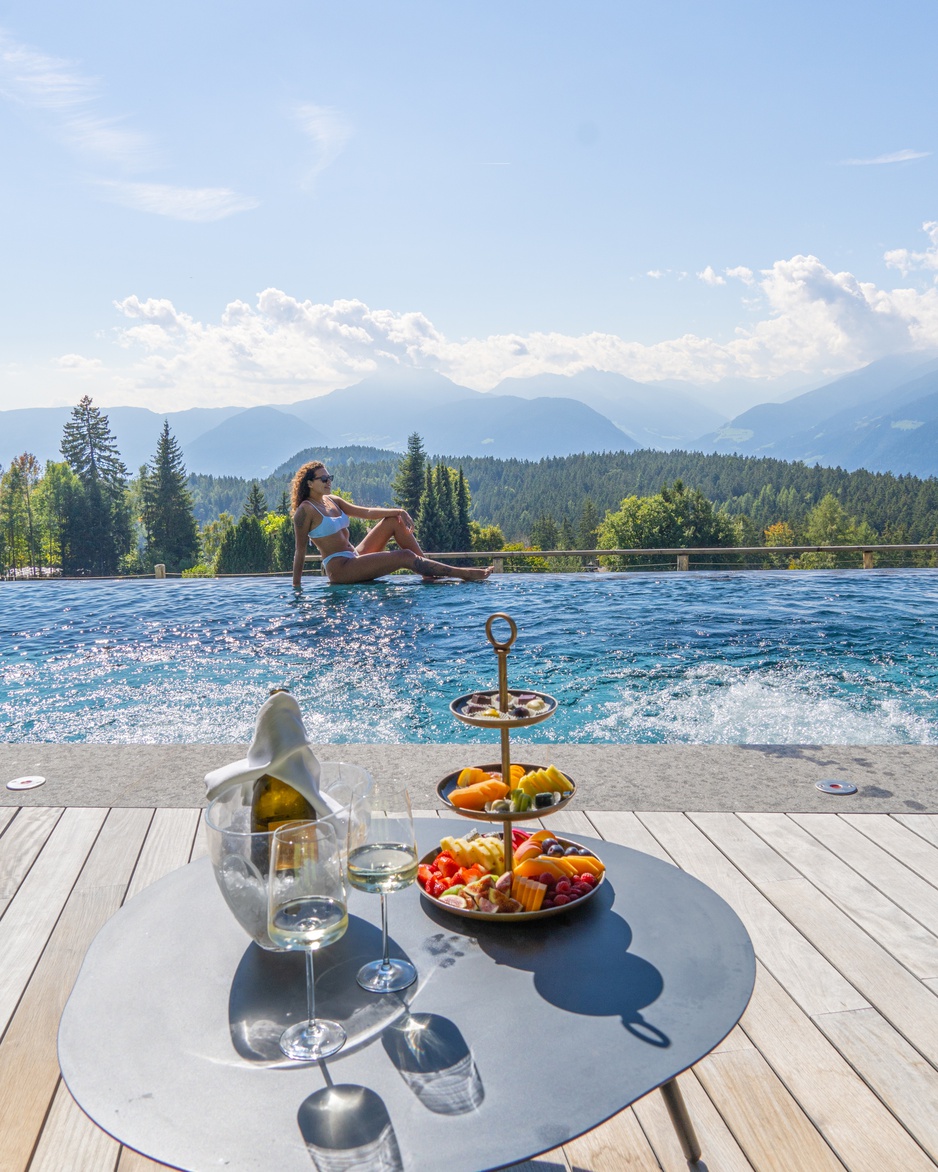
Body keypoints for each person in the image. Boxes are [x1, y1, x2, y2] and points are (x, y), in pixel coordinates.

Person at [291, 460, 493, 587]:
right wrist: (296, 588)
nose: (329, 481)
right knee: (404, 556)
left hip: (354, 556)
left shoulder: (332, 500)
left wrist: (399, 511)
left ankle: (427, 573)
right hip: (340, 569)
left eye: (329, 477)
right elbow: (300, 551)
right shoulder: (305, 511)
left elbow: (366, 512)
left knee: (393, 521)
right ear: (309, 483)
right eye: (323, 478)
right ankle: (464, 573)